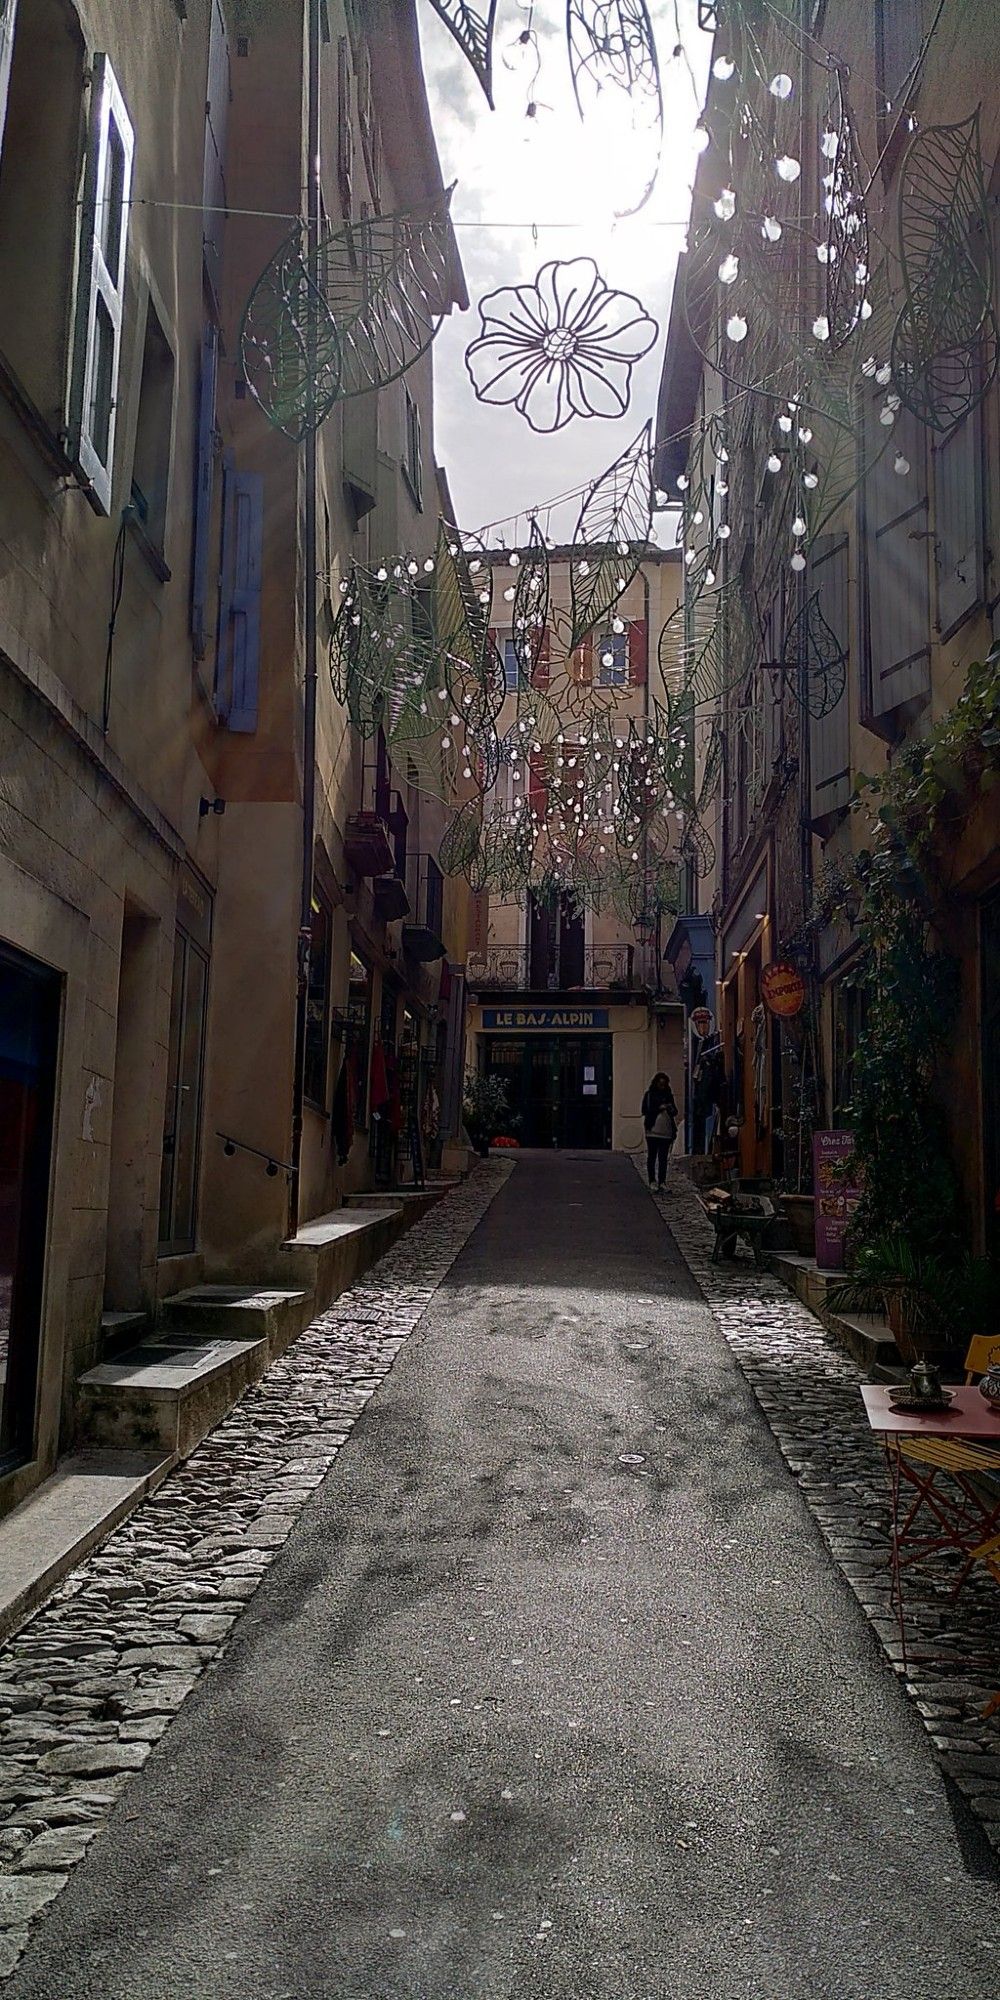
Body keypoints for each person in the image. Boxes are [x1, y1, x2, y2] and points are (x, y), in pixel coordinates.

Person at [642, 1071, 678, 1189]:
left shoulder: (669, 1095)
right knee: (652, 1156)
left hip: (666, 1132)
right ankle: (652, 1180)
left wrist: (670, 1107)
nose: (662, 1086)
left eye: (664, 1084)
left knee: (663, 1158)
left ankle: (662, 1181)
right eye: (660, 1084)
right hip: (652, 1130)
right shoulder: (649, 1095)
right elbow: (645, 1110)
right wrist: (659, 1108)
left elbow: (675, 1112)